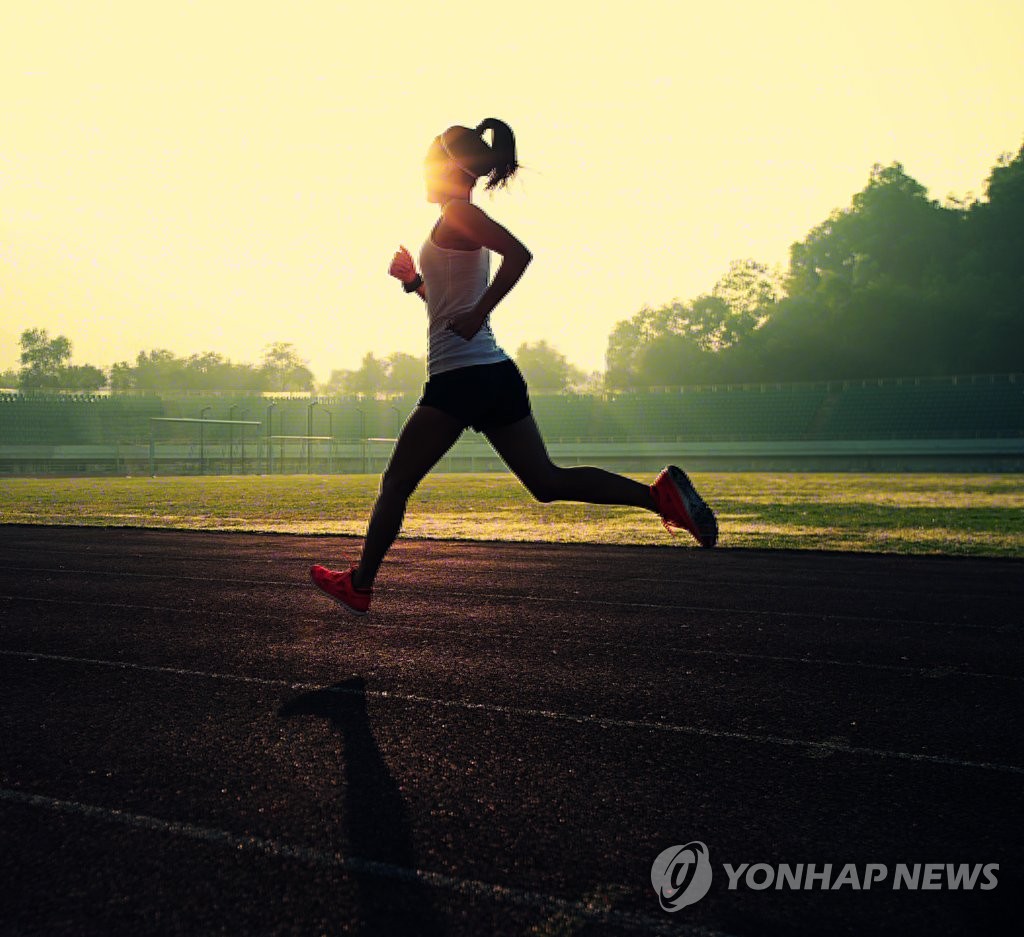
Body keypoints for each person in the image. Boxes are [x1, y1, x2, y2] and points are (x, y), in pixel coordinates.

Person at [311, 119, 717, 615]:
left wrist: (481, 311)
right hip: (490, 373)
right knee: (546, 483)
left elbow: (520, 256)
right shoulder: (453, 219)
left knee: (396, 483)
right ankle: (661, 499)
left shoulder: (460, 212)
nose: (422, 176)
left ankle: (360, 585)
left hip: (462, 378)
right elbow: (448, 309)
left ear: (449, 168)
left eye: (427, 166)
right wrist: (415, 282)